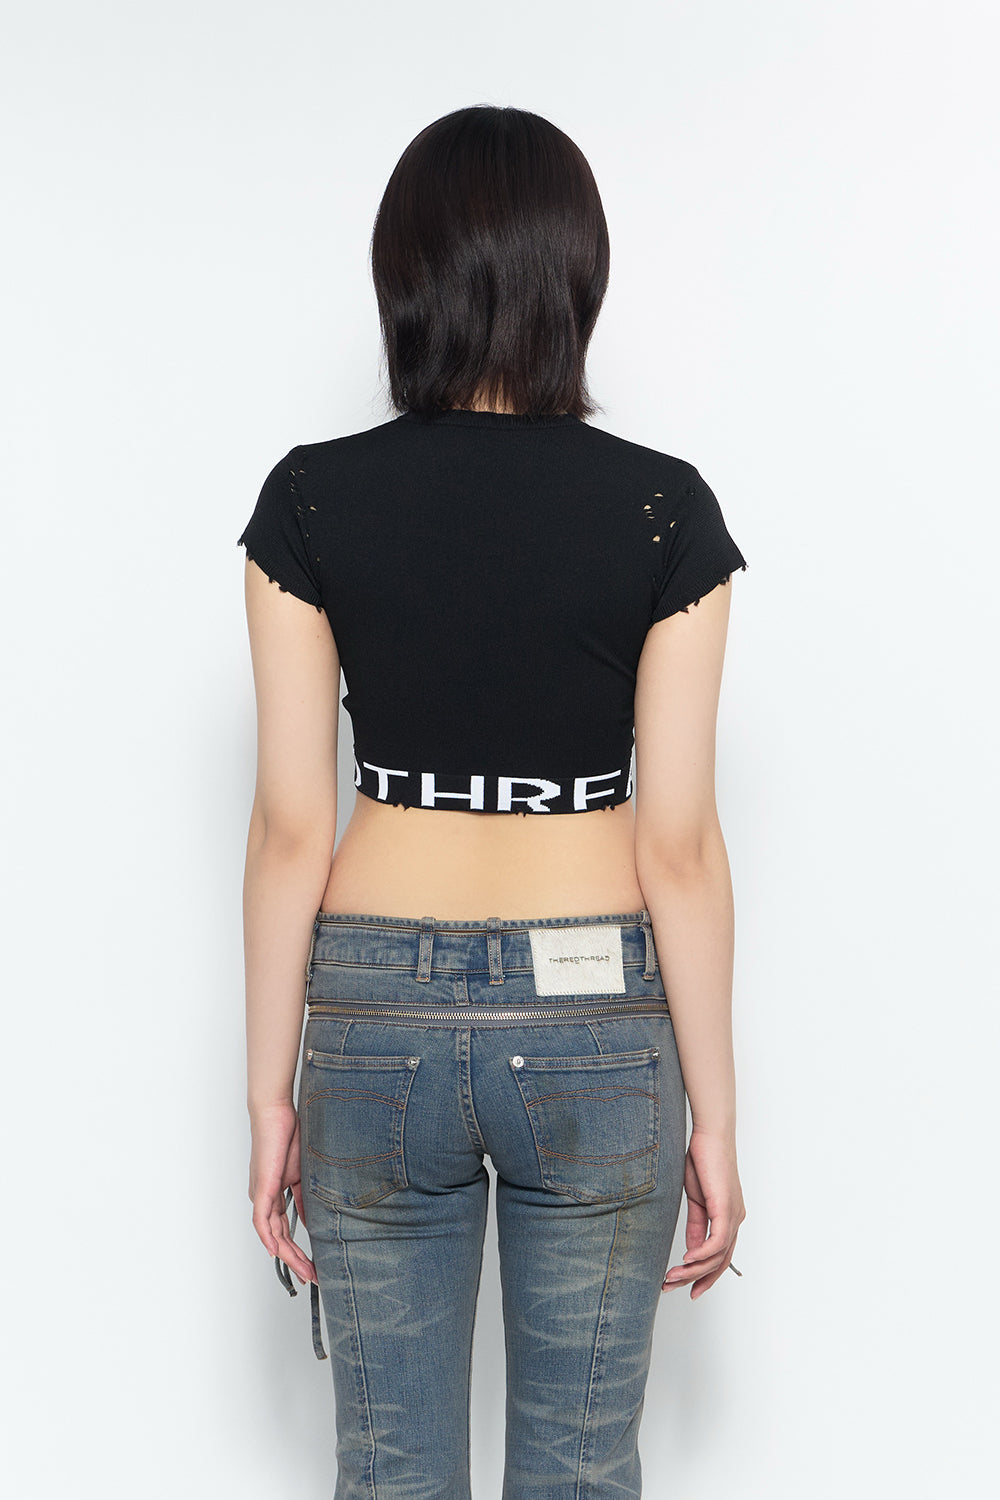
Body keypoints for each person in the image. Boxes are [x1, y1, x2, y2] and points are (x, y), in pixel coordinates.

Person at [237, 103, 748, 1499]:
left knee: (391, 1475)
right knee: (582, 1473)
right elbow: (680, 849)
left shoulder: (310, 503)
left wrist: (270, 1096)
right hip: (597, 1022)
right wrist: (714, 1118)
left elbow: (290, 831)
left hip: (371, 1025)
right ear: (577, 275)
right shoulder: (664, 513)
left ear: (403, 277)